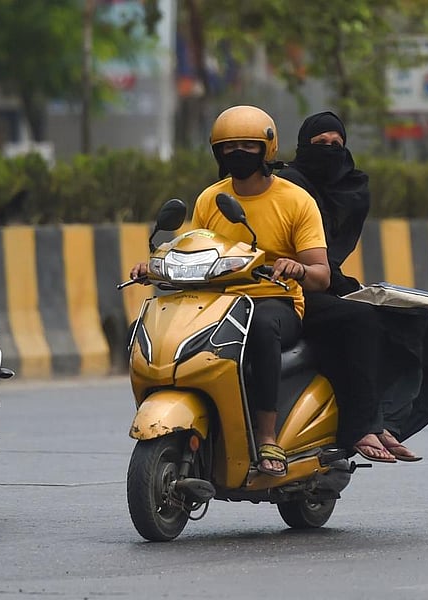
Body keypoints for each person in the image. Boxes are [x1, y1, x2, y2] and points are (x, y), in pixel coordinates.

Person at [131, 105, 331, 477]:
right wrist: (155, 265)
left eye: (247, 146)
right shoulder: (211, 199)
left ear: (266, 150)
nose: (237, 153)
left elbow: (321, 275)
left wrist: (296, 268)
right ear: (217, 152)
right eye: (229, 147)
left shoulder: (295, 201)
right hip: (217, 301)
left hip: (276, 300)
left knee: (260, 331)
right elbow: (194, 250)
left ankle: (268, 434)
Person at [278, 111, 428, 461]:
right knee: (360, 321)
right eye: (320, 145)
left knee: (411, 326)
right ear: (302, 148)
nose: (330, 152)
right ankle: (362, 425)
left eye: (336, 145)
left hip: (323, 278)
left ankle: (385, 421)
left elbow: (327, 257)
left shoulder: (349, 188)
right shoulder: (287, 187)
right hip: (284, 286)